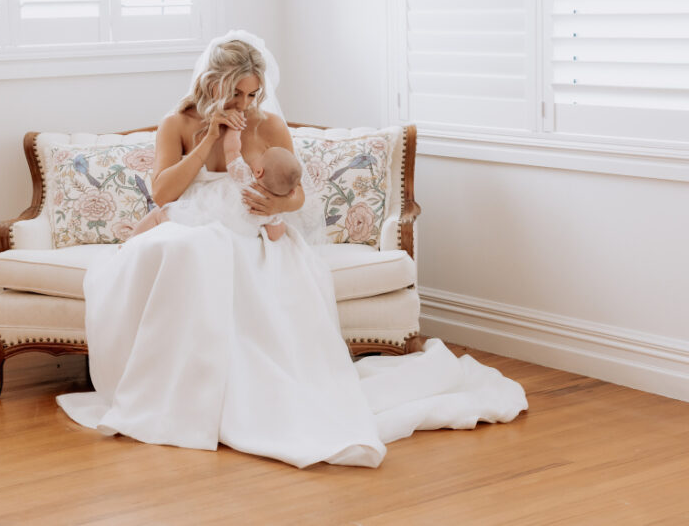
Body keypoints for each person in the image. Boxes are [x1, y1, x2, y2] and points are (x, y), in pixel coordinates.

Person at [56, 30, 528, 469]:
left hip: (252, 228)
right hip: (192, 220)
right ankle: (175, 388)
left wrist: (275, 201)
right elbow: (162, 194)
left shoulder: (269, 124)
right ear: (211, 85)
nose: (245, 103)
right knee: (185, 250)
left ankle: (241, 392)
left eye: (252, 93)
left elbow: (299, 193)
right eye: (235, 94)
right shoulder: (177, 123)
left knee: (213, 251)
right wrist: (208, 142)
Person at [128, 124, 302, 242]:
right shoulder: (270, 210)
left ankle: (129, 244)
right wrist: (277, 220)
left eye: (260, 158)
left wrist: (235, 129)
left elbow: (232, 150)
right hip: (233, 238)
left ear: (259, 171)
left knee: (158, 214)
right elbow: (275, 234)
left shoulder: (245, 178)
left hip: (200, 220)